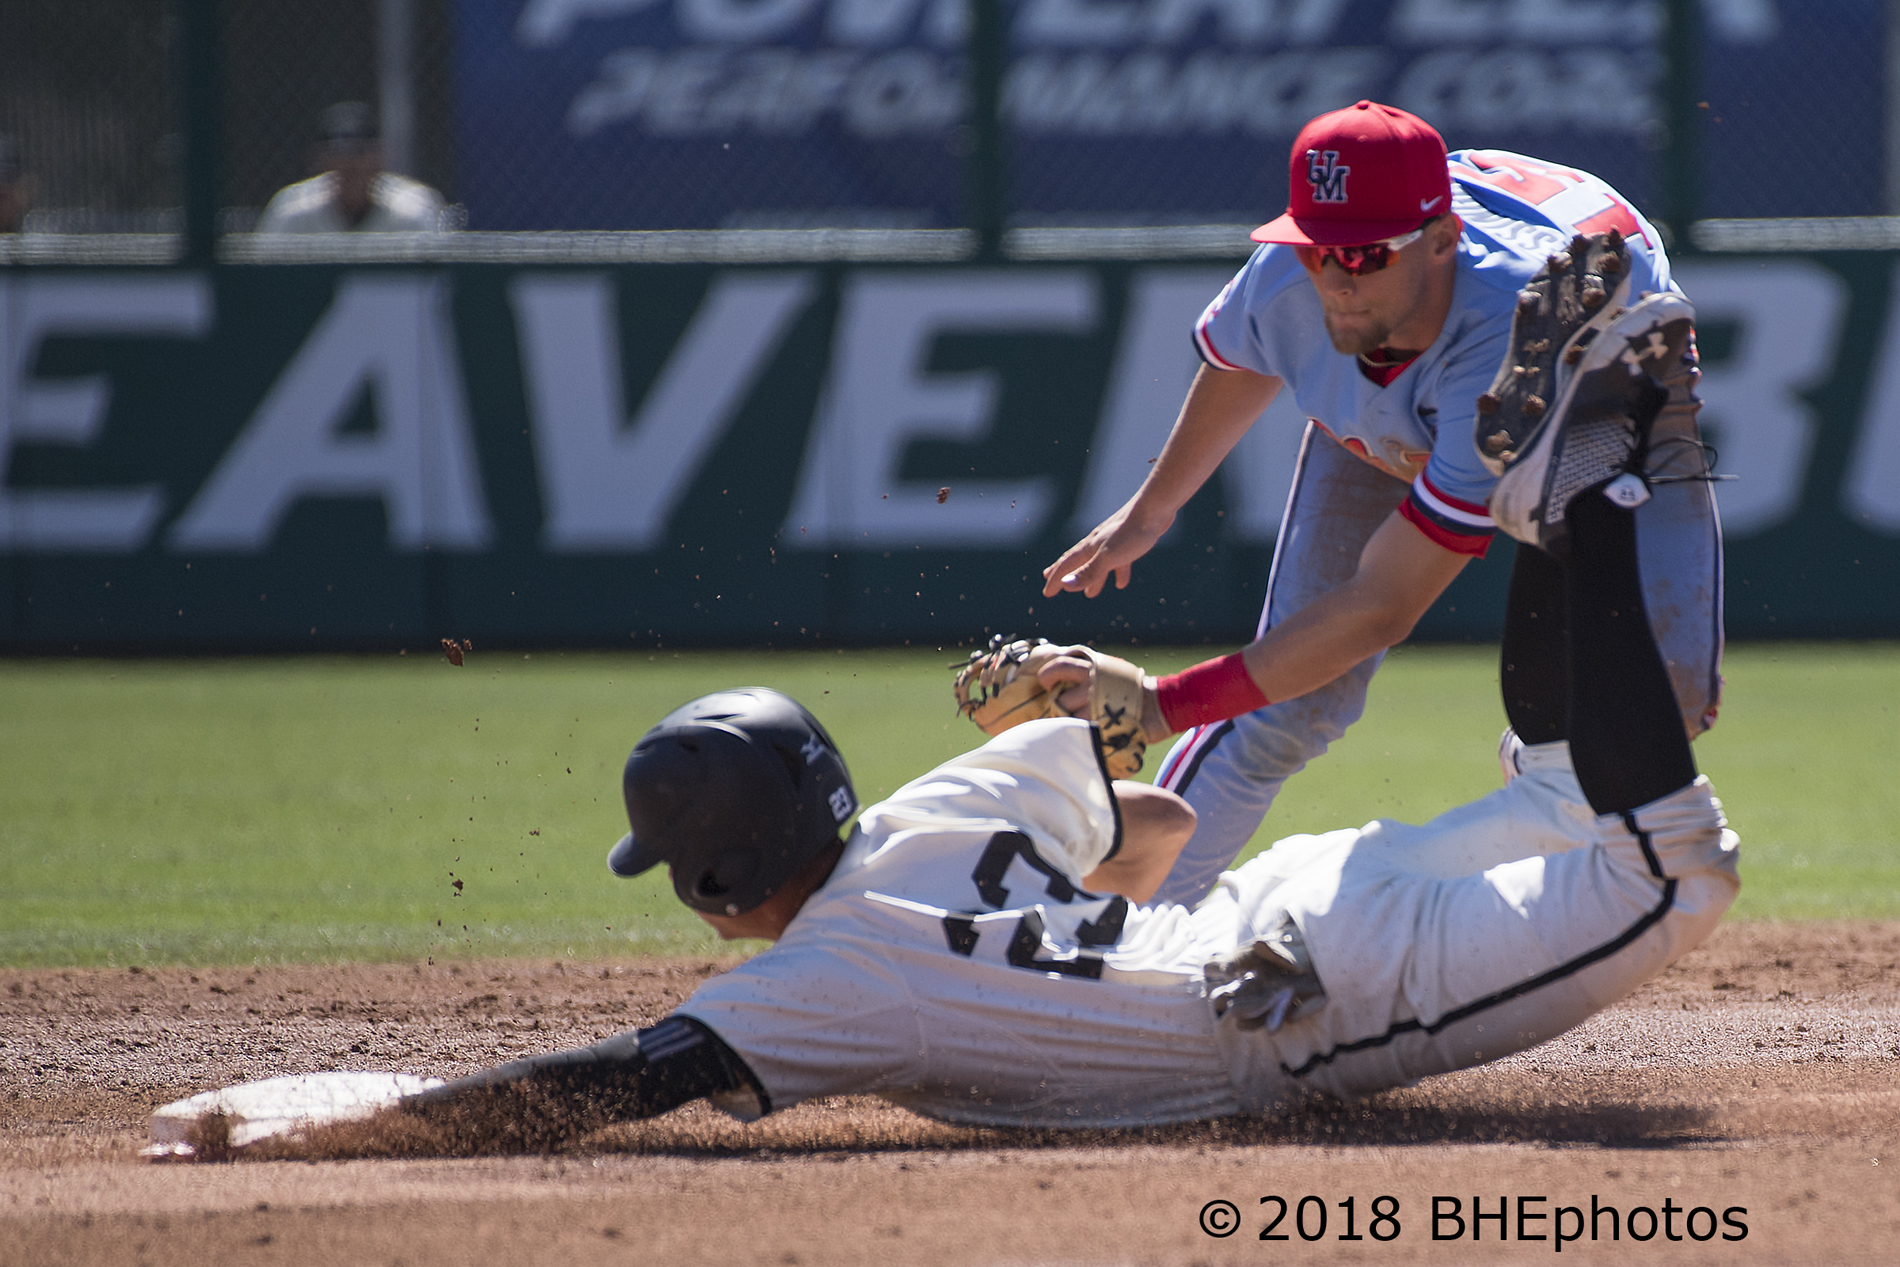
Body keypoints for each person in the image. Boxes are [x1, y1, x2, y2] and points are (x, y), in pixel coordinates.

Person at [398, 390, 1738, 1138]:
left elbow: (630, 1074)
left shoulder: (821, 982)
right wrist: (1050, 883)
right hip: (1275, 915)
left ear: (724, 871)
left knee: (1675, 871)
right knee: (1564, 794)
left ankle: (1590, 500)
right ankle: (1569, 464)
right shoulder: (939, 805)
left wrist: (375, 1125)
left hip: (1303, 994)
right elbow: (1157, 826)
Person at [1039, 101, 1723, 907]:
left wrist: (1165, 704)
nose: (1335, 279)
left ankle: (1543, 765)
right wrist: (1153, 509)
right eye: (1316, 248)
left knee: (1663, 704)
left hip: (1606, 403)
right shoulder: (1289, 276)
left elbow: (1384, 605)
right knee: (1289, 702)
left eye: (1364, 253)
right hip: (1418, 394)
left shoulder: (1517, 326)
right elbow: (1247, 353)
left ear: (1442, 239)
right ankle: (1114, 924)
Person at [255, 102, 446, 234]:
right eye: (339, 154)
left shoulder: (412, 211)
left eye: (359, 152)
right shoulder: (292, 213)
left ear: (380, 157)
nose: (350, 165)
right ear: (318, 161)